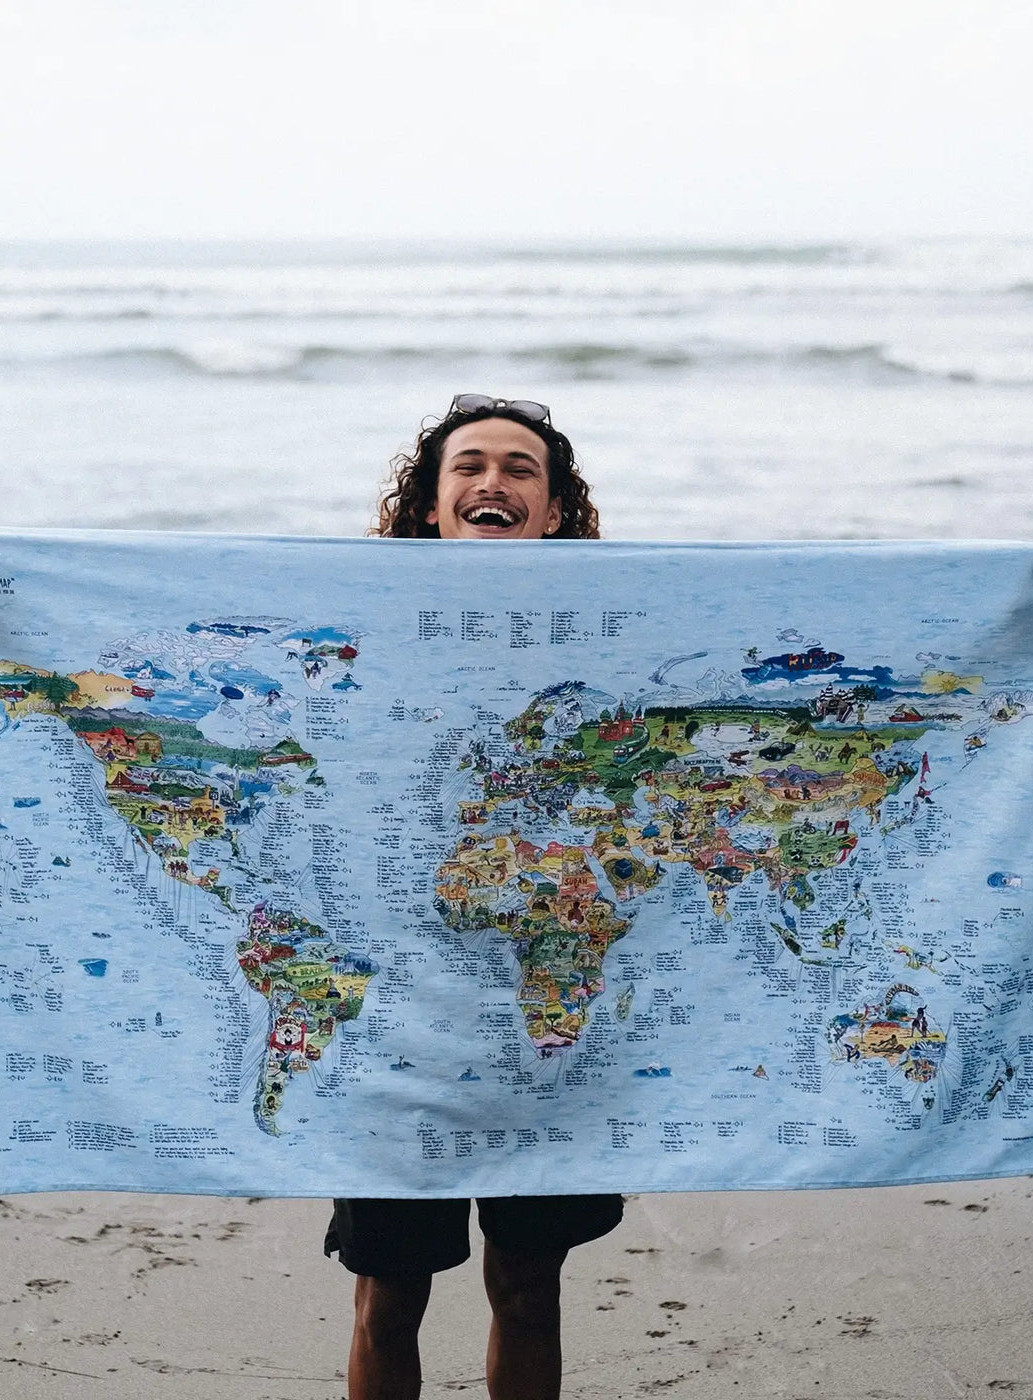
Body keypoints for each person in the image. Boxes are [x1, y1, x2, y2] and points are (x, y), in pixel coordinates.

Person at [325, 395, 617, 1400]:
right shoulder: (362, 626)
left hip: (546, 1013)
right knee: (389, 1291)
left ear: (551, 508)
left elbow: (789, 656)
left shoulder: (608, 633)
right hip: (396, 1024)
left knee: (530, 1285)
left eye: (519, 468)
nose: (492, 480)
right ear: (431, 501)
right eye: (469, 465)